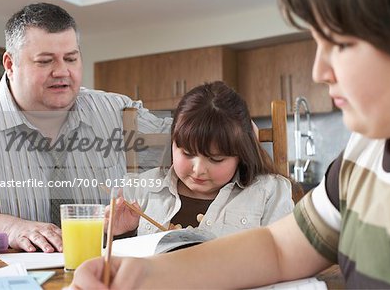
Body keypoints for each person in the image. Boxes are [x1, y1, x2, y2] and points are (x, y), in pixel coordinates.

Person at [70, 0, 390, 289]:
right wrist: (147, 273)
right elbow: (279, 247)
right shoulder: (360, 156)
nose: (319, 70)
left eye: (343, 44)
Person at [0, 3, 171, 253]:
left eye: (71, 58)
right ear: (10, 63)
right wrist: (10, 227)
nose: (62, 72)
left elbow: (194, 144)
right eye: (45, 61)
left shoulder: (117, 111)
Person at [107, 81, 293, 238]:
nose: (198, 169)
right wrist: (116, 233)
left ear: (241, 154)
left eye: (216, 159)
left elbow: (286, 256)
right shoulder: (140, 189)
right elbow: (113, 263)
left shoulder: (269, 192)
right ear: (173, 142)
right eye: (187, 153)